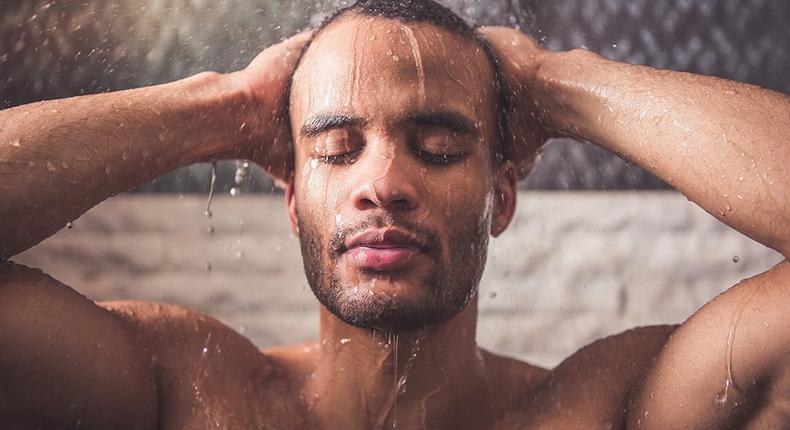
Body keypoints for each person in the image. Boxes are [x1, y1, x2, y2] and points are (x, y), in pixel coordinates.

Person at [1, 0, 788, 428]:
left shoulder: (605, 409)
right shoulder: (181, 390)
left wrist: (555, 84)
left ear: (501, 197)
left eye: (440, 147)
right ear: (291, 199)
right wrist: (228, 104)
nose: (383, 183)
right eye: (338, 149)